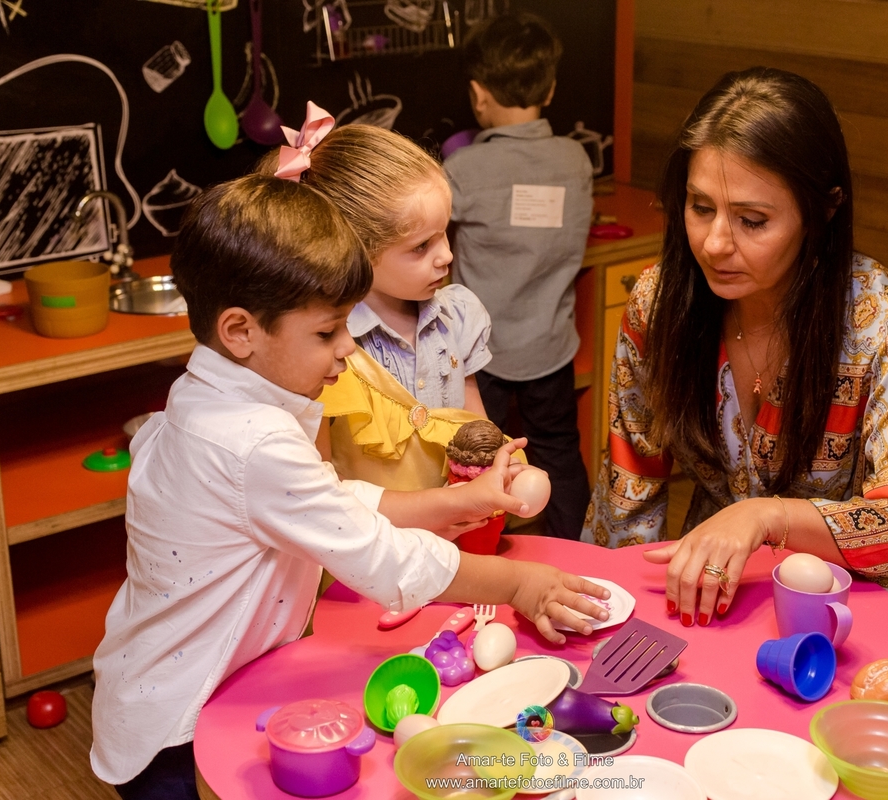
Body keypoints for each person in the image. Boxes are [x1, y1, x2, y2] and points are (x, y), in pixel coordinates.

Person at [90, 173, 609, 799]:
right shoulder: (253, 439)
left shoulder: (207, 397)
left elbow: (329, 504)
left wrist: (454, 500)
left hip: (159, 684)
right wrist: (519, 583)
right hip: (176, 715)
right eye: (326, 332)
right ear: (240, 331)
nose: (346, 352)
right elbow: (379, 556)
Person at [583, 68, 888, 653]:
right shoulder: (660, 305)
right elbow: (627, 496)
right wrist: (609, 623)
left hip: (853, 625)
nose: (714, 242)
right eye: (700, 207)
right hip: (714, 604)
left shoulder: (885, 326)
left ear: (823, 211)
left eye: (752, 220)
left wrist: (770, 517)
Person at [271, 107, 509, 554]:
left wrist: (502, 470)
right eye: (421, 246)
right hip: (366, 550)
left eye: (445, 234)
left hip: (455, 539)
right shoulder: (329, 344)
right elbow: (324, 489)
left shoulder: (457, 315)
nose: (445, 257)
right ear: (354, 251)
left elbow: (474, 427)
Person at [443, 12, 594, 540]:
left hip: (480, 353)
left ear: (478, 95)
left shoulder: (462, 171)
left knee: (473, 458)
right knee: (558, 450)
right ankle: (575, 547)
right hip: (549, 346)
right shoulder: (577, 160)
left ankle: (478, 550)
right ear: (549, 89)